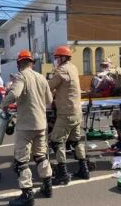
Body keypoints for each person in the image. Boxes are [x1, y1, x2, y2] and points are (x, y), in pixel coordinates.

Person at [1, 50, 53, 205]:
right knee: (40, 155)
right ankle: (47, 186)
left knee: (21, 160)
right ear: (32, 63)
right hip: (41, 124)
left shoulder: (21, 76)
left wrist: (3, 104)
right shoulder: (41, 77)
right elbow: (49, 99)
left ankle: (27, 195)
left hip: (26, 126)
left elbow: (14, 94)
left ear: (19, 64)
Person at [48, 46, 89, 186]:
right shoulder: (73, 67)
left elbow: (49, 86)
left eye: (57, 57)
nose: (55, 60)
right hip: (77, 112)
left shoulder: (61, 71)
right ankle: (84, 169)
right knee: (76, 141)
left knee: (56, 141)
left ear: (63, 58)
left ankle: (63, 174)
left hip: (66, 113)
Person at [99, 58, 121, 156]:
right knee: (115, 121)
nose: (104, 67)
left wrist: (107, 71)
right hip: (117, 100)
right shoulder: (107, 75)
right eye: (103, 66)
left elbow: (115, 71)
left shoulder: (118, 70)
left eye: (106, 65)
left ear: (111, 64)